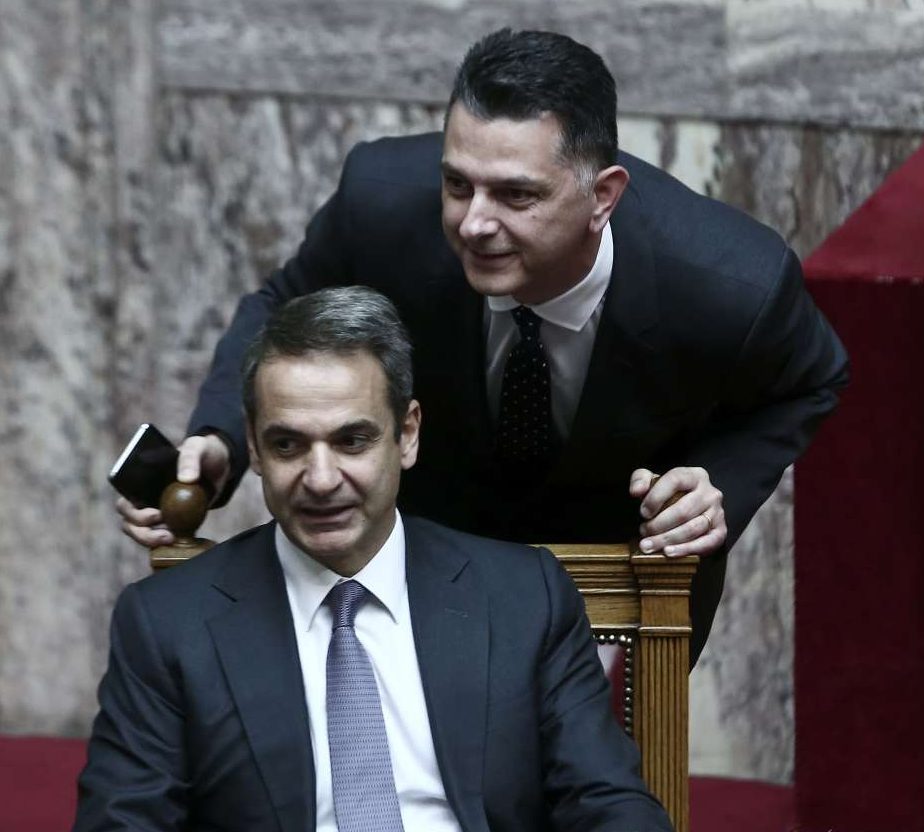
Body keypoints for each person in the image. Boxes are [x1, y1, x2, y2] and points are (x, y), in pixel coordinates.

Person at [118, 28, 849, 663]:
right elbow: (281, 305)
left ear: (602, 196)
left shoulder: (731, 282)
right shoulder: (381, 200)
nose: (473, 223)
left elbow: (812, 379)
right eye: (457, 184)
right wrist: (222, 437)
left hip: (614, 583)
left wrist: (715, 483)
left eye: (516, 195)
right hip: (426, 553)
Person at [76, 287, 672, 832]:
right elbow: (122, 822)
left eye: (351, 440)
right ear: (253, 447)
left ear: (406, 435)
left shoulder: (524, 596)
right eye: (288, 444)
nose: (320, 478)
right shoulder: (166, 623)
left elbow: (607, 803)